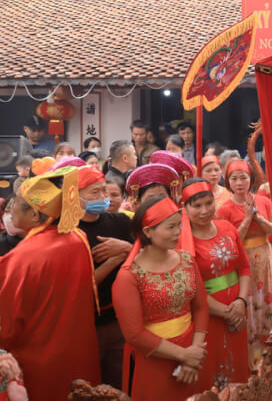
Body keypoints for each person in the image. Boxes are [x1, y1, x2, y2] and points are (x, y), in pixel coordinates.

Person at [0, 167, 101, 400]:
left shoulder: (20, 258)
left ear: (35, 215)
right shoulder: (78, 238)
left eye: (16, 202)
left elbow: (7, 330)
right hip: (80, 354)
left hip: (38, 363)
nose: (10, 208)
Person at [112, 196, 209, 400]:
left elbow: (200, 307)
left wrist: (195, 352)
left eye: (179, 225)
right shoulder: (129, 276)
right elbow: (134, 334)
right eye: (171, 227)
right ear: (148, 231)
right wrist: (184, 355)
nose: (178, 232)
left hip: (192, 351)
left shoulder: (186, 260)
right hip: (154, 358)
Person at [181, 179, 251, 386]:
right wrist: (228, 312)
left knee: (237, 369)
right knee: (213, 370)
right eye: (197, 206)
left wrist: (241, 303)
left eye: (208, 203)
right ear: (185, 208)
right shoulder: (182, 241)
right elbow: (191, 289)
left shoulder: (227, 227)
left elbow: (245, 268)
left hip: (238, 310)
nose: (205, 210)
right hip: (208, 315)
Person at [215, 160, 272, 366]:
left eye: (243, 177)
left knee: (267, 297)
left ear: (251, 179)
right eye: (234, 178)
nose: (239, 182)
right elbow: (231, 242)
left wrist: (258, 217)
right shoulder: (224, 209)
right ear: (228, 182)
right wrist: (247, 220)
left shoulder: (264, 201)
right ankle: (251, 356)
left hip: (264, 254)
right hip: (243, 259)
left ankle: (270, 349)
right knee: (249, 301)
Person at [77, 165, 134, 389]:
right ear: (75, 196)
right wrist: (114, 260)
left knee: (119, 383)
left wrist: (128, 248)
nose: (102, 197)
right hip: (84, 325)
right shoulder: (69, 231)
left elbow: (144, 258)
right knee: (86, 386)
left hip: (118, 320)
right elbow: (80, 285)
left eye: (105, 191)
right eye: (95, 193)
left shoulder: (121, 222)